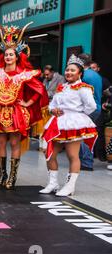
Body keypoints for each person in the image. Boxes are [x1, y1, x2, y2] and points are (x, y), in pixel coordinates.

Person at [0, 23, 49, 190]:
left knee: (14, 144)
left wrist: (28, 103)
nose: (8, 57)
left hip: (16, 113)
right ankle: (2, 174)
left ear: (17, 56)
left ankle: (13, 176)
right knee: (1, 143)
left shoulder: (23, 74)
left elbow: (39, 89)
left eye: (11, 54)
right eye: (6, 54)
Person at [41, 54, 98, 196]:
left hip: (73, 124)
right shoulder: (61, 87)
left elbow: (91, 106)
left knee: (72, 155)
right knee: (50, 154)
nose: (69, 73)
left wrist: (77, 114)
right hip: (57, 124)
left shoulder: (84, 88)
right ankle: (53, 183)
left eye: (73, 70)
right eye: (67, 70)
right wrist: (52, 109)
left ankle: (70, 186)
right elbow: (52, 104)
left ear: (80, 73)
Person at [77, 54, 102, 171]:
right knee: (88, 134)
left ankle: (86, 162)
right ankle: (85, 161)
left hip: (88, 109)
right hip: (97, 108)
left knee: (82, 135)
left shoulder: (84, 75)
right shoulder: (96, 75)